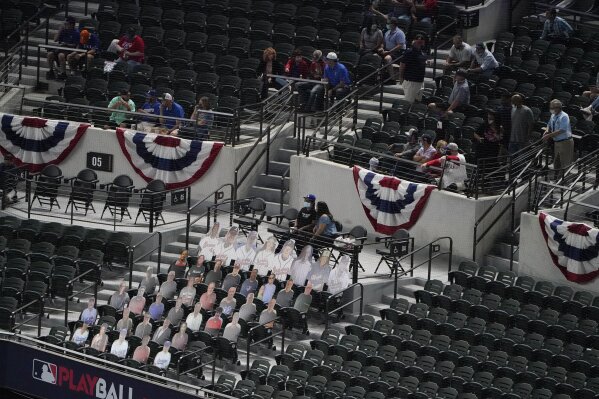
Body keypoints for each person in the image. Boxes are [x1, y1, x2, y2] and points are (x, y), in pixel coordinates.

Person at [543, 99, 574, 171]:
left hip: (565, 142)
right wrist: (547, 131)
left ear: (558, 108)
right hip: (556, 142)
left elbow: (562, 130)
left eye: (553, 108)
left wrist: (548, 136)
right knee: (557, 162)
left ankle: (564, 181)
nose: (551, 109)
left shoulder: (564, 116)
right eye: (551, 108)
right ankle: (556, 179)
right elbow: (549, 124)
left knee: (565, 163)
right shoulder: (553, 115)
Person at [398, 34, 427, 103]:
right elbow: (402, 65)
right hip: (411, 81)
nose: (419, 43)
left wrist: (426, 62)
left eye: (421, 41)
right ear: (413, 41)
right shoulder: (409, 52)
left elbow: (420, 62)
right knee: (409, 102)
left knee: (417, 101)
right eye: (417, 41)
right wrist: (401, 77)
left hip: (420, 81)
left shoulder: (423, 53)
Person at [378, 17, 406, 82]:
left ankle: (392, 79)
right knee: (375, 56)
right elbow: (383, 43)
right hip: (388, 51)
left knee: (387, 59)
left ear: (393, 24)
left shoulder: (399, 33)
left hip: (398, 53)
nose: (387, 24)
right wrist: (381, 48)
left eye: (388, 23)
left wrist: (389, 52)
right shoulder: (387, 32)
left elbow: (400, 45)